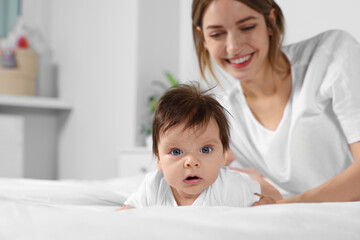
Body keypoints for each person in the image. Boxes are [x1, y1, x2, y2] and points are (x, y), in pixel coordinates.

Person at [191, 0, 360, 203]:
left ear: (271, 21)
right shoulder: (224, 115)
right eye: (217, 34)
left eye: (247, 27)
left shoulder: (332, 54)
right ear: (203, 39)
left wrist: (285, 207)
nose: (233, 47)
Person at [119, 84, 281, 210]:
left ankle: (251, 173)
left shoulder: (231, 188)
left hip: (234, 176)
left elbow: (274, 199)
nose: (191, 162)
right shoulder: (153, 187)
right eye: (176, 151)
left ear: (223, 153)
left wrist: (265, 204)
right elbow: (127, 212)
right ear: (159, 160)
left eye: (205, 149)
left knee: (259, 184)